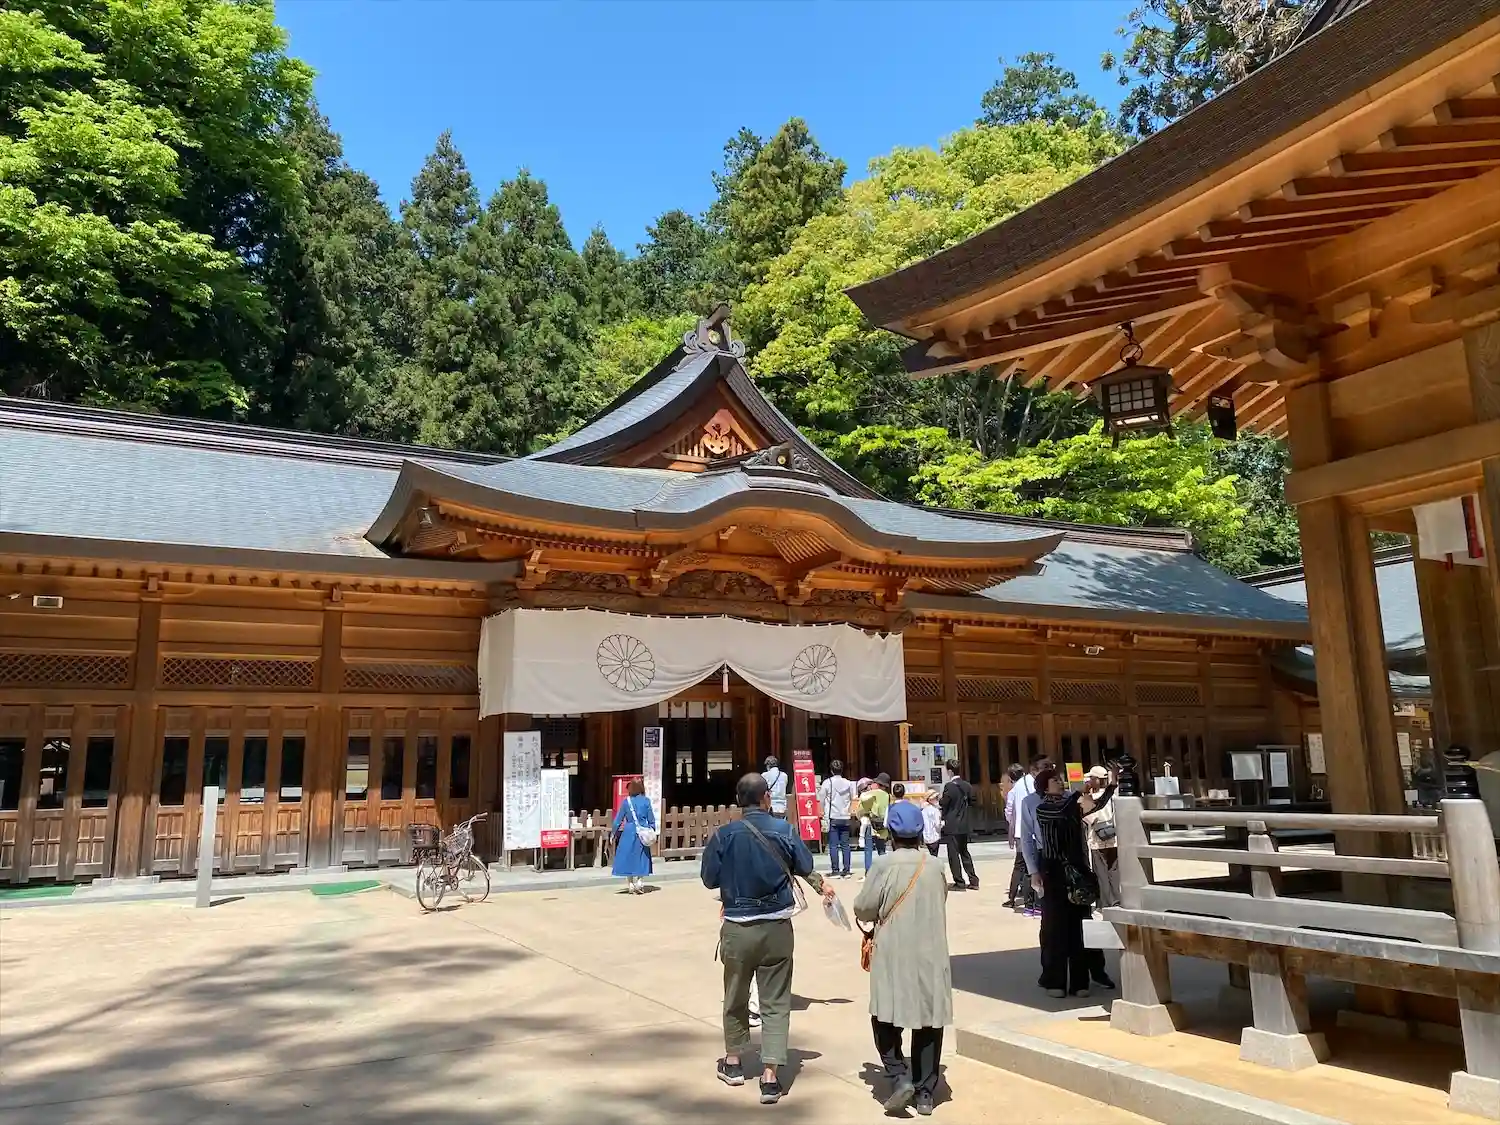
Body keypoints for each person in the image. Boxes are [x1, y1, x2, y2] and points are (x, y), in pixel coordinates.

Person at [701, 772, 836, 1105]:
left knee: (735, 995)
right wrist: (820, 885)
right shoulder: (785, 830)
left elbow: (709, 879)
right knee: (775, 1000)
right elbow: (805, 864)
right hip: (777, 927)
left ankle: (734, 1062)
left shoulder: (723, 835)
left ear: (738, 801)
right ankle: (771, 1076)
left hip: (738, 927)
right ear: (765, 798)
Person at [854, 801, 952, 1117]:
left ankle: (898, 1076)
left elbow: (864, 907)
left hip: (893, 951)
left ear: (891, 832)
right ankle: (925, 1092)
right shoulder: (935, 865)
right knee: (929, 1019)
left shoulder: (883, 865)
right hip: (931, 952)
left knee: (885, 1014)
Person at [1022, 766, 1115, 998]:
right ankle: (1056, 981)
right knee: (1056, 927)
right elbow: (1062, 811)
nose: (1059, 782)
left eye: (1059, 778)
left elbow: (1097, 806)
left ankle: (1080, 982)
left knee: (1079, 925)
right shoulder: (1043, 809)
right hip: (1053, 871)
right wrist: (1078, 793)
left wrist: (1112, 785)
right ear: (1044, 787)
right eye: (1054, 780)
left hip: (1076, 869)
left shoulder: (1072, 805)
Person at [1012, 757, 1050, 917]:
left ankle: (1032, 905)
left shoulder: (1063, 794)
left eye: (1051, 766)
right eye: (1045, 766)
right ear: (1034, 770)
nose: (1049, 770)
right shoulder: (1029, 794)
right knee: (1030, 869)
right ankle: (1032, 905)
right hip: (1030, 834)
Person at [1082, 765, 1120, 910]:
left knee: (1101, 872)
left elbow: (1088, 818)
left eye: (1091, 778)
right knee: (1114, 870)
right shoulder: (1113, 796)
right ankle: (1116, 899)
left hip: (1097, 839)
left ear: (1097, 780)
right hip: (1113, 837)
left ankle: (1104, 902)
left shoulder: (1091, 798)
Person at [939, 758, 979, 891]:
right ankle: (973, 880)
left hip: (952, 824)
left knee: (953, 854)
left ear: (950, 771)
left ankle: (959, 882)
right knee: (964, 852)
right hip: (964, 823)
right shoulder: (967, 785)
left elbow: (944, 803)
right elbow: (973, 801)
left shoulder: (949, 786)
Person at [611, 779, 655, 894]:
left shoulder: (626, 802)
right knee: (642, 856)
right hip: (643, 831)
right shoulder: (646, 801)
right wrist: (651, 830)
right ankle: (640, 881)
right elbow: (651, 819)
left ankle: (630, 883)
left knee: (628, 856)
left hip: (629, 831)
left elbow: (618, 820)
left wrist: (613, 833)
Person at [817, 760, 857, 879]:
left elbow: (821, 799)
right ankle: (847, 870)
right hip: (845, 816)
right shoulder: (849, 783)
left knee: (833, 845)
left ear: (831, 770)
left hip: (833, 816)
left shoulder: (827, 783)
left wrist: (822, 812)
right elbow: (853, 798)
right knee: (845, 845)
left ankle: (835, 870)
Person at [859, 773, 891, 876]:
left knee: (868, 849)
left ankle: (868, 873)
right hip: (882, 825)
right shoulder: (887, 795)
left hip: (871, 823)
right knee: (881, 850)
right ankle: (884, 871)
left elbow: (863, 799)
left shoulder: (873, 793)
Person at [921, 791, 943, 857]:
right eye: (936, 798)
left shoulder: (923, 811)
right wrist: (943, 823)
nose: (937, 799)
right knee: (934, 856)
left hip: (926, 837)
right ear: (930, 800)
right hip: (935, 837)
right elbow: (937, 825)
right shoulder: (935, 810)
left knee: (931, 855)